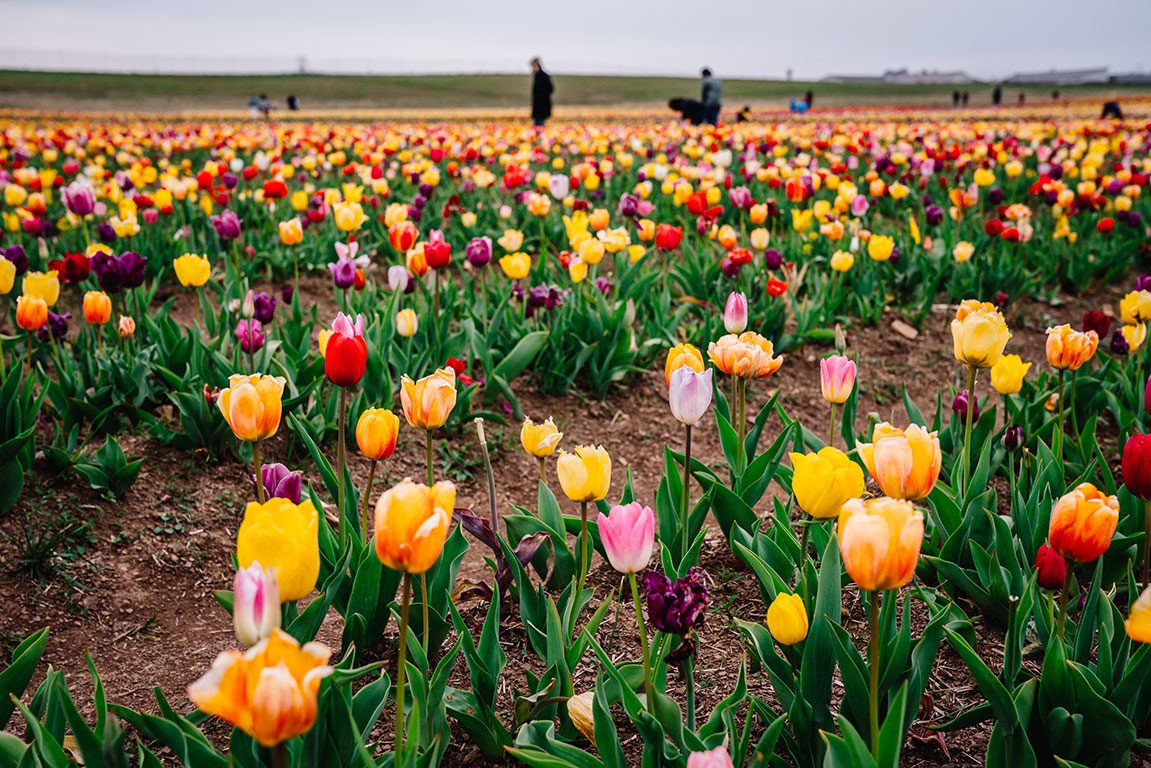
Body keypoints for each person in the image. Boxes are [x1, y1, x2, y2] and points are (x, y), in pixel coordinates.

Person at [530, 57, 554, 127]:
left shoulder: (544, 76)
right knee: (537, 124)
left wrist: (541, 97)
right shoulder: (537, 76)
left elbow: (550, 89)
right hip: (537, 106)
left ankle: (540, 137)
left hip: (542, 106)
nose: (532, 68)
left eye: (533, 66)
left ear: (537, 65)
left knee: (540, 124)